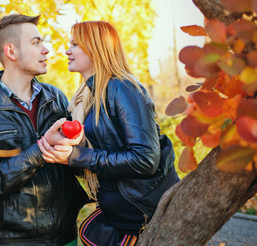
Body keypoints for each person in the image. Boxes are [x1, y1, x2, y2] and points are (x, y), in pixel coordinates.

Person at [38, 21, 179, 246]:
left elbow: (145, 159)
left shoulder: (122, 89)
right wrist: (70, 150)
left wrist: (76, 156)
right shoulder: (86, 100)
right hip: (118, 216)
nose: (67, 50)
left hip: (141, 217)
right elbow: (95, 167)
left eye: (75, 44)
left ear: (96, 49)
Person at [0, 14, 89, 246]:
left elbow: (72, 164)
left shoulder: (55, 97)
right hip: (12, 241)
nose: (46, 50)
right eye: (36, 43)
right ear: (11, 52)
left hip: (66, 236)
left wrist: (77, 147)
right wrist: (40, 150)